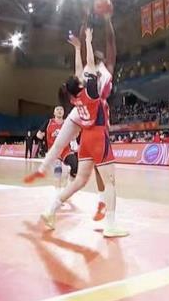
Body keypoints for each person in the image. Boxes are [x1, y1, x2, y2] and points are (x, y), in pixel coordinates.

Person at [26, 28, 128, 238]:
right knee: (110, 182)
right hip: (98, 136)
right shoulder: (91, 92)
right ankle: (110, 225)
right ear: (81, 84)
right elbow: (88, 64)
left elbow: (79, 69)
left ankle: (50, 209)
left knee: (79, 180)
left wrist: (77, 48)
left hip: (86, 139)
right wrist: (88, 42)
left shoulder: (74, 98)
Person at [36, 106, 79, 191]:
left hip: (65, 150)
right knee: (58, 169)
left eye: (61, 109)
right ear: (54, 113)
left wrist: (75, 134)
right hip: (54, 151)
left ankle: (68, 186)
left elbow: (74, 136)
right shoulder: (49, 122)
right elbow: (38, 135)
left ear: (64, 112)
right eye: (57, 110)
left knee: (75, 166)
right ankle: (57, 190)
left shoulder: (67, 122)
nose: (59, 111)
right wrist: (42, 137)